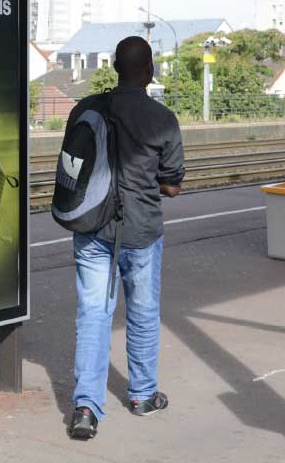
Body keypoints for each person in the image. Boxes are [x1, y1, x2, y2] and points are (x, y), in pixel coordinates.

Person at [67, 36, 185, 440]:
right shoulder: (163, 119)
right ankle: (142, 396)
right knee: (143, 313)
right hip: (140, 232)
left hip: (92, 229)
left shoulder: (86, 108)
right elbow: (172, 187)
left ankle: (85, 408)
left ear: (115, 67)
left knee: (93, 315)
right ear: (149, 71)